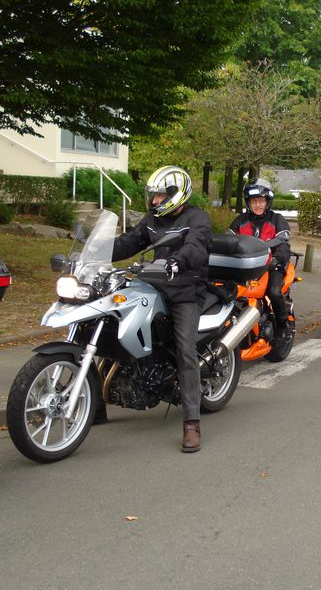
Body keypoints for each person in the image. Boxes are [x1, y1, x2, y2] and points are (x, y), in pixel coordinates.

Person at [111, 166, 211, 453]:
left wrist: (177, 262)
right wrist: (97, 250)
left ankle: (191, 422)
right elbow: (130, 242)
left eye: (159, 196)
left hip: (185, 291)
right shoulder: (153, 220)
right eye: (153, 195)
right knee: (112, 325)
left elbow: (196, 247)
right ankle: (97, 403)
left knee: (185, 350)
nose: (154, 201)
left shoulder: (197, 219)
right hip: (153, 285)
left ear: (176, 195)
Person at [229, 178, 292, 343]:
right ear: (248, 202)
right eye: (253, 201)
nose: (258, 205)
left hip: (272, 266)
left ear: (267, 201)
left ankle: (283, 326)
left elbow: (284, 244)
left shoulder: (277, 219)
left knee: (274, 292)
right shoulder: (240, 221)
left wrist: (277, 259)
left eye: (261, 201)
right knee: (227, 291)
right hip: (245, 267)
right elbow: (229, 243)